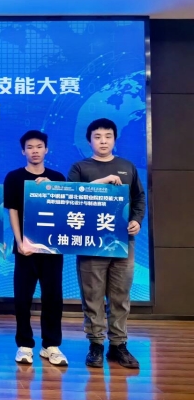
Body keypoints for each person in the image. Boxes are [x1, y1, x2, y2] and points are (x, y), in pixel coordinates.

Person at [68, 118, 146, 369]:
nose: (103, 141)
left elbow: (138, 198)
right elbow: (71, 197)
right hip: (90, 242)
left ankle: (118, 345)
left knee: (120, 295)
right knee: (92, 295)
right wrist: (102, 181)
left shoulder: (127, 166)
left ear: (114, 139)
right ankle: (96, 344)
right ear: (89, 140)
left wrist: (136, 221)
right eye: (98, 136)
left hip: (123, 241)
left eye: (108, 136)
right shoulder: (80, 167)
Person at [3, 130, 68, 366]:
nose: (35, 151)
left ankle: (51, 345)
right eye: (30, 147)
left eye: (39, 146)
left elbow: (65, 211)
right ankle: (24, 344)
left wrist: (54, 189)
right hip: (25, 249)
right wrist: (19, 242)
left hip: (51, 249)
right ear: (23, 151)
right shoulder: (13, 177)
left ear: (46, 150)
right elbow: (12, 210)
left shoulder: (57, 178)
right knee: (23, 298)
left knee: (53, 298)